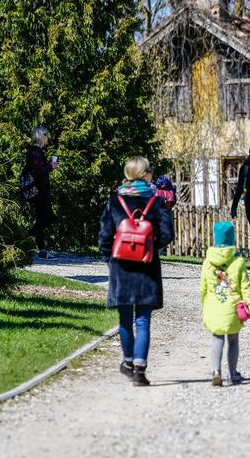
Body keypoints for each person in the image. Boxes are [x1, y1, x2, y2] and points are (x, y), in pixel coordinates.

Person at [98, 156, 174, 386]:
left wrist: (109, 259)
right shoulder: (155, 202)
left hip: (121, 266)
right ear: (143, 174)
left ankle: (128, 362)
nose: (152, 174)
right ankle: (140, 369)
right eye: (149, 171)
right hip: (147, 265)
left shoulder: (115, 200)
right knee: (142, 320)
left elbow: (104, 235)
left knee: (124, 320)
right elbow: (167, 234)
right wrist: (152, 246)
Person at [200, 221, 250, 387]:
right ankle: (232, 373)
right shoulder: (238, 262)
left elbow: (203, 287)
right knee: (233, 340)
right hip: (233, 308)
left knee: (217, 339)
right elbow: (245, 287)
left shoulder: (207, 262)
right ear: (232, 239)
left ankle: (216, 371)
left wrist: (204, 305)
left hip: (213, 305)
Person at [26, 126, 59, 260]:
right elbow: (39, 170)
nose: (47, 138)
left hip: (42, 190)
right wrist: (51, 166)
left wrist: (50, 166)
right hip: (38, 191)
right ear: (40, 136)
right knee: (43, 218)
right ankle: (40, 249)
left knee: (47, 218)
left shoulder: (37, 151)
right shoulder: (35, 151)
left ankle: (29, 237)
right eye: (46, 135)